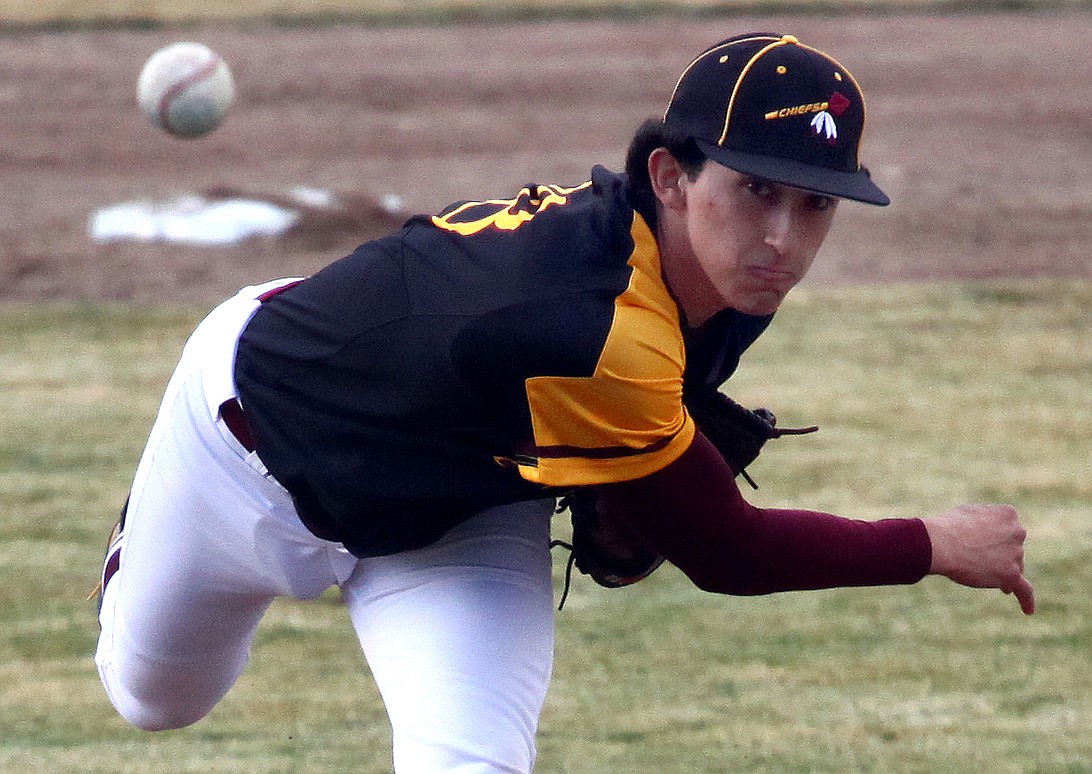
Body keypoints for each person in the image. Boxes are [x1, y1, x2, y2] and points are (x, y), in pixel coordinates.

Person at [93, 33, 1033, 773]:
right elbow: (728, 552)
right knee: (154, 700)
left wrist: (625, 483)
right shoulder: (592, 324)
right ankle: (140, 547)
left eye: (815, 205)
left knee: (474, 761)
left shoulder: (716, 275)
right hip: (242, 441)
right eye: (755, 192)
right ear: (671, 176)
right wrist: (932, 543)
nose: (782, 239)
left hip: (461, 510)